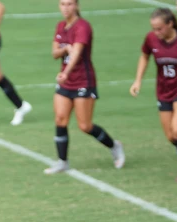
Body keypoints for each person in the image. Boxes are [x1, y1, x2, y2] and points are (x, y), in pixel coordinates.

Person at [44, 0, 125, 174]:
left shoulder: (83, 27)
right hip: (66, 81)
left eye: (70, 4)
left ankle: (114, 146)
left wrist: (66, 72)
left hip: (83, 80)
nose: (66, 8)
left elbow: (77, 53)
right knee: (60, 119)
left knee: (85, 125)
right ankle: (62, 161)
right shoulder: (60, 26)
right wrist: (65, 50)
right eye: (63, 4)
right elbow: (55, 52)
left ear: (77, 6)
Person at [131, 8, 177, 182]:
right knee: (172, 137)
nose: (156, 32)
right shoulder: (151, 39)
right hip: (163, 91)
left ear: (170, 24)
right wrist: (137, 80)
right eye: (154, 29)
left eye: (160, 28)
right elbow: (144, 55)